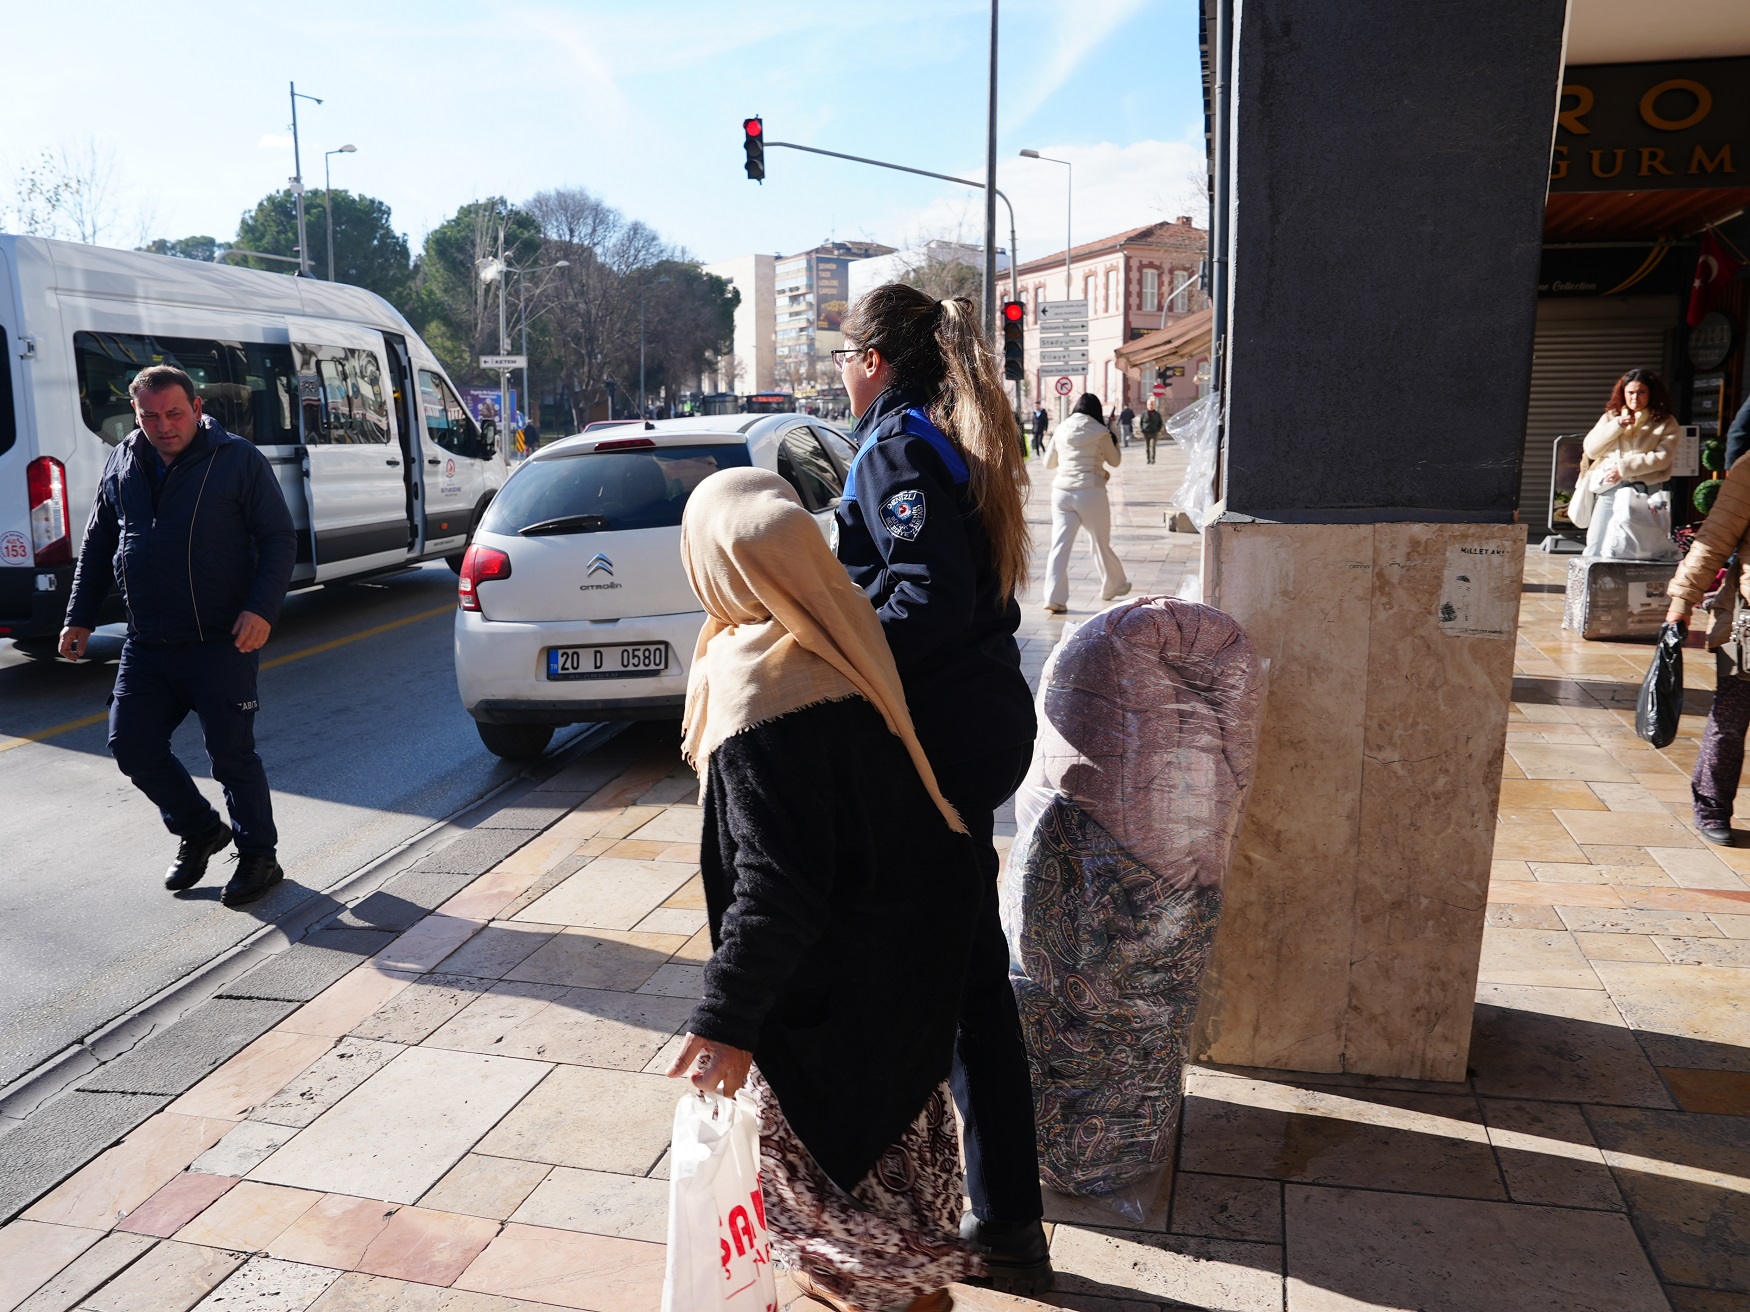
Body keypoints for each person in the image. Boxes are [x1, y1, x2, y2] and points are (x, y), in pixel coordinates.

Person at [666, 468, 983, 1312]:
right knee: (885, 1230)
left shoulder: (758, 694)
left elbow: (778, 887)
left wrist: (725, 1021)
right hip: (901, 985)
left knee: (846, 1239)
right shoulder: (835, 644)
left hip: (834, 1005)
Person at [829, 284, 1051, 1295]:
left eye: (843, 352)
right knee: (966, 979)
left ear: (873, 359)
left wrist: (828, 619)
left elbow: (923, 599)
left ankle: (925, 1208)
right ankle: (1003, 1217)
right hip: (978, 726)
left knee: (935, 985)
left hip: (942, 741)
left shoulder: (894, 448)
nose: (839, 371)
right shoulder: (944, 437)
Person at [60, 365, 296, 906]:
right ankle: (201, 829)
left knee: (231, 755)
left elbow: (278, 537)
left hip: (220, 640)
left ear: (196, 407)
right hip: (146, 642)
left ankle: (260, 856)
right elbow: (98, 542)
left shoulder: (236, 459)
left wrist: (261, 608)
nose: (162, 426)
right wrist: (79, 616)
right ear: (135, 413)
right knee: (132, 745)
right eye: (148, 416)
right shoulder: (124, 459)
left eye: (173, 413)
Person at [1664, 451, 1750, 845]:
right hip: (1748, 622)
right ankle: (1712, 807)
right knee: (1731, 721)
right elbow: (1714, 539)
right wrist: (1681, 602)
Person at [1042, 392, 1130, 615]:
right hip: (1091, 491)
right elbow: (1115, 461)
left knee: (1059, 546)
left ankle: (1054, 598)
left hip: (1061, 492)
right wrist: (1114, 434)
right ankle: (1112, 585)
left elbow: (1048, 463)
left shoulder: (1061, 428)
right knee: (1100, 542)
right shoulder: (1101, 432)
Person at [1577, 369, 1679, 557]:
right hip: (1610, 487)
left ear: (1651, 393)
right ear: (1623, 393)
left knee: (1641, 546)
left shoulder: (1666, 422)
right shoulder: (1611, 417)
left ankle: (1630, 585)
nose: (1635, 398)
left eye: (1641, 392)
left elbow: (1662, 458)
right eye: (1630, 392)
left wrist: (1623, 468)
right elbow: (1591, 449)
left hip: (1646, 490)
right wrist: (1616, 425)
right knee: (1596, 542)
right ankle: (1588, 584)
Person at [1139, 397, 1165, 463]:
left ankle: (1153, 459)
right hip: (1146, 432)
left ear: (1154, 405)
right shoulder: (1144, 414)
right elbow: (1141, 422)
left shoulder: (1157, 414)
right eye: (1149, 404)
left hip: (1154, 432)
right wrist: (1142, 429)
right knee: (1147, 447)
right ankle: (1148, 459)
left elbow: (1160, 423)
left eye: (1152, 404)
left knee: (1153, 446)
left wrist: (1158, 430)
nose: (1151, 406)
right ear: (1147, 405)